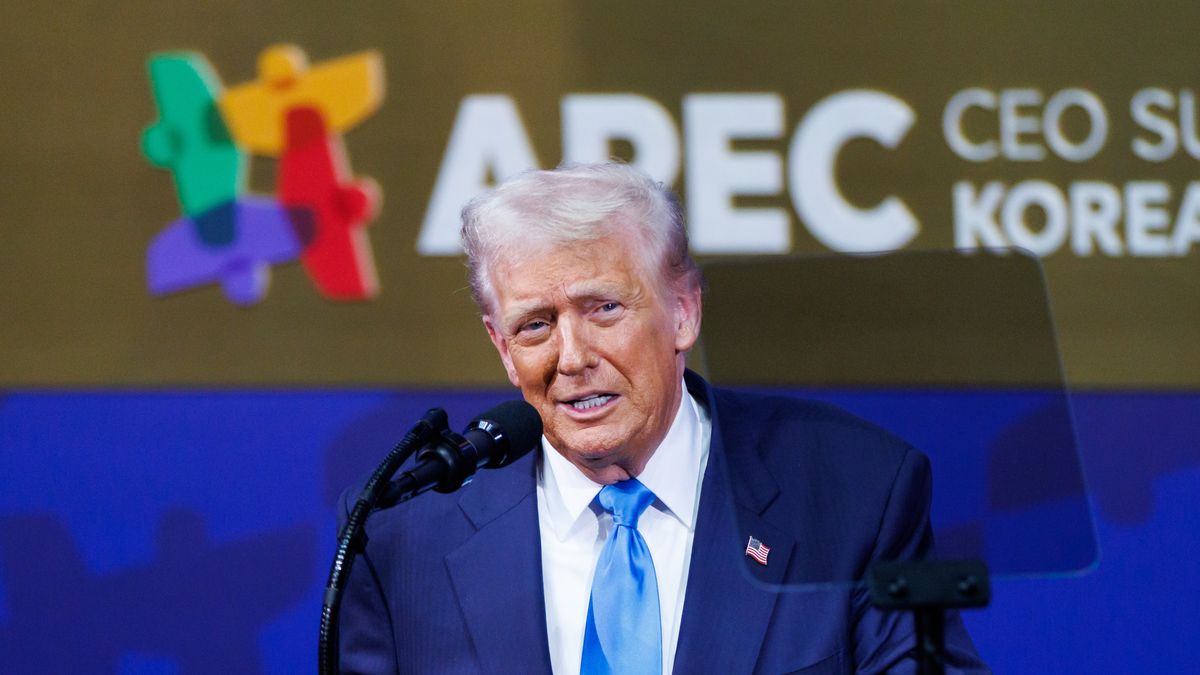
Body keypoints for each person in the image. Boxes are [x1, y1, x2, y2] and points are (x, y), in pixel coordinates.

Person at [337, 162, 988, 673]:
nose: (573, 357)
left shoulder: (854, 492)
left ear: (683, 312)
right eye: (535, 324)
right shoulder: (402, 536)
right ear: (503, 347)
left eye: (604, 309)